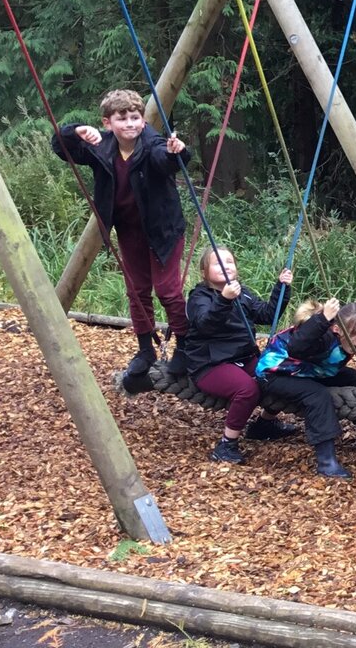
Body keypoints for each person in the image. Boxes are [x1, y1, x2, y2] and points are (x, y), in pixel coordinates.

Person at [50, 89, 193, 392]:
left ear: (143, 120)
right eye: (122, 118)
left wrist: (175, 151)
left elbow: (167, 162)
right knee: (137, 290)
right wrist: (76, 130)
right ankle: (145, 349)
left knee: (167, 290)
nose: (130, 123)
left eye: (135, 117)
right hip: (129, 230)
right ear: (107, 122)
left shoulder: (153, 144)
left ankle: (185, 346)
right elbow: (60, 147)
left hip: (163, 230)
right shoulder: (100, 147)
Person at [257, 298, 356, 479]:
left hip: (309, 371)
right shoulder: (324, 337)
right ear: (337, 329)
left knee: (352, 378)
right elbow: (296, 347)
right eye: (355, 334)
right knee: (317, 396)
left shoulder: (354, 330)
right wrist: (322, 319)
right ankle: (326, 461)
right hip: (275, 374)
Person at [183, 247, 295, 464]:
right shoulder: (199, 297)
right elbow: (205, 325)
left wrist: (281, 288)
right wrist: (224, 300)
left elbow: (266, 314)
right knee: (248, 389)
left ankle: (264, 424)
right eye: (217, 263)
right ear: (204, 273)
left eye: (229, 262)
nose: (225, 266)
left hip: (242, 357)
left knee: (278, 376)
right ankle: (226, 444)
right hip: (210, 363)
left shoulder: (242, 293)